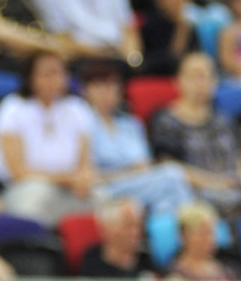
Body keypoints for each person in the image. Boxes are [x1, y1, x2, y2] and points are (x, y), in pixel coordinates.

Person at [150, 53, 241, 213]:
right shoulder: (166, 120)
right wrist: (216, 183)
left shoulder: (224, 120)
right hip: (193, 193)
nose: (203, 82)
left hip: (233, 190)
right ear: (179, 80)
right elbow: (167, 167)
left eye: (208, 76)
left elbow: (240, 160)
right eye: (196, 76)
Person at [0, 49, 95, 225]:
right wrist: (65, 179)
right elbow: (18, 172)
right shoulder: (13, 109)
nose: (56, 78)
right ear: (31, 77)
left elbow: (85, 164)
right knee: (37, 197)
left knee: (102, 199)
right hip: (22, 186)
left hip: (69, 188)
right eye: (48, 73)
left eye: (60, 72)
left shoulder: (77, 109)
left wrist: (83, 180)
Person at [81, 62, 194, 212]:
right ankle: (194, 223)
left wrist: (138, 170)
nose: (107, 92)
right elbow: (89, 174)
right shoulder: (84, 124)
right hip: (108, 187)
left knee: (164, 204)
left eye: (112, 86)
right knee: (172, 174)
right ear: (86, 91)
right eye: (100, 86)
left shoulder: (132, 124)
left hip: (139, 185)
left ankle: (175, 230)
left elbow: (145, 164)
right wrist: (127, 171)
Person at [81, 197, 159, 278]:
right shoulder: (93, 260)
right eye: (128, 225)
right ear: (107, 228)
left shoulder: (146, 260)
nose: (136, 232)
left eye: (138, 225)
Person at [140, 0, 201, 76]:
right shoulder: (150, 25)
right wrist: (181, 30)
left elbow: (195, 56)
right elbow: (165, 60)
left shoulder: (189, 26)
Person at [168, 200, 237, 280]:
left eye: (210, 233)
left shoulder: (227, 263)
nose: (208, 239)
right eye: (201, 234)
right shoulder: (176, 274)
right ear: (184, 236)